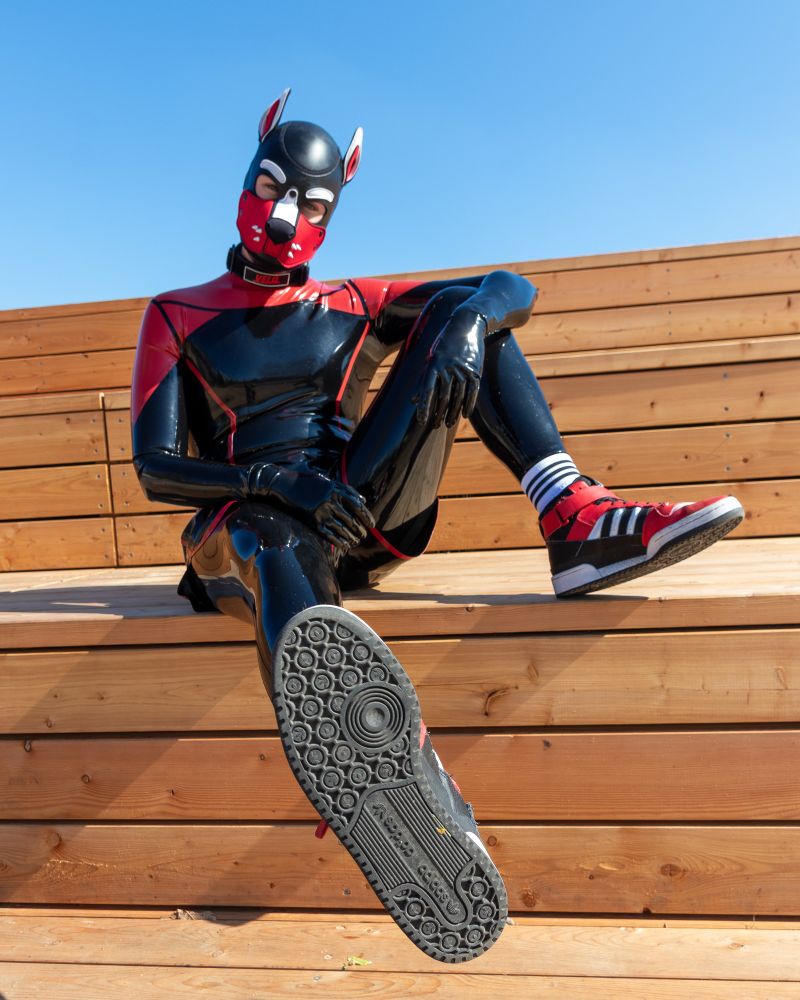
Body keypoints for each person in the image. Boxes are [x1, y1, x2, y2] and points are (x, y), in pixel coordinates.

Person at [131, 89, 744, 962]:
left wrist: (465, 319)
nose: (283, 213)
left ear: (334, 209)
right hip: (243, 520)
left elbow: (511, 287)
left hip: (357, 505)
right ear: (244, 181)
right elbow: (157, 468)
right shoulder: (177, 313)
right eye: (269, 186)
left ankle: (573, 516)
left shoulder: (355, 300)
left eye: (310, 202)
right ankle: (392, 777)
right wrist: (267, 481)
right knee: (274, 543)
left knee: (468, 313)